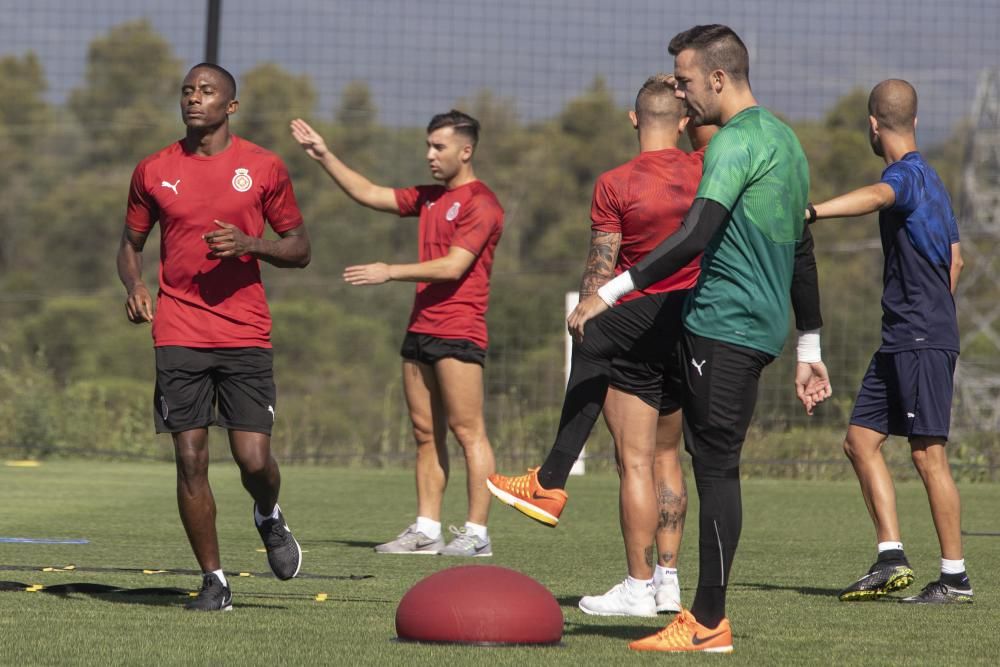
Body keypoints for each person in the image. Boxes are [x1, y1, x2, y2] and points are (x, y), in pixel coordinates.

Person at [493, 24, 830, 653]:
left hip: (721, 324)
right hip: (737, 322)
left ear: (719, 79)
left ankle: (706, 622)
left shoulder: (732, 145)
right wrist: (808, 347)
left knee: (717, 470)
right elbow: (802, 251)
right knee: (605, 344)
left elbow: (695, 234)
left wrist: (611, 289)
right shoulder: (786, 141)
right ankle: (551, 480)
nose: (681, 90)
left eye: (686, 78)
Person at [117, 63, 310, 611]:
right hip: (177, 329)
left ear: (231, 106)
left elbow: (299, 248)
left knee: (253, 461)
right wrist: (134, 285)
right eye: (187, 91)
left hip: (245, 331)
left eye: (206, 91)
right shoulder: (153, 170)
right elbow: (129, 245)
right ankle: (215, 581)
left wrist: (252, 244)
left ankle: (268, 514)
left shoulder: (263, 167)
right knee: (191, 458)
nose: (193, 98)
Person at [290, 110, 502, 557]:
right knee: (425, 433)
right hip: (420, 329)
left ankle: (476, 534)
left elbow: (454, 266)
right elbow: (369, 193)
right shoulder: (428, 199)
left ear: (465, 151)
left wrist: (389, 271)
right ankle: (427, 530)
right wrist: (324, 155)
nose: (429, 155)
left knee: (468, 431)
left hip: (459, 330)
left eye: (438, 147)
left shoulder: (482, 203)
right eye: (427, 145)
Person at [810, 79, 972, 604]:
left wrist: (812, 213)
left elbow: (880, 196)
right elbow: (957, 262)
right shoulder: (937, 184)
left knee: (928, 456)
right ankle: (890, 558)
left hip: (920, 336)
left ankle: (954, 579)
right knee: (860, 441)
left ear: (873, 125)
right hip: (905, 335)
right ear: (916, 121)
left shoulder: (905, 176)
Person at [568, 74, 716, 617]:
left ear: (633, 120)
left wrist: (590, 321)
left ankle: (636, 586)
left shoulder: (615, 182)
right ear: (684, 121)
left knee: (633, 462)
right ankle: (669, 582)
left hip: (632, 331)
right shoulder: (706, 169)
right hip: (690, 328)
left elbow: (600, 270)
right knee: (666, 456)